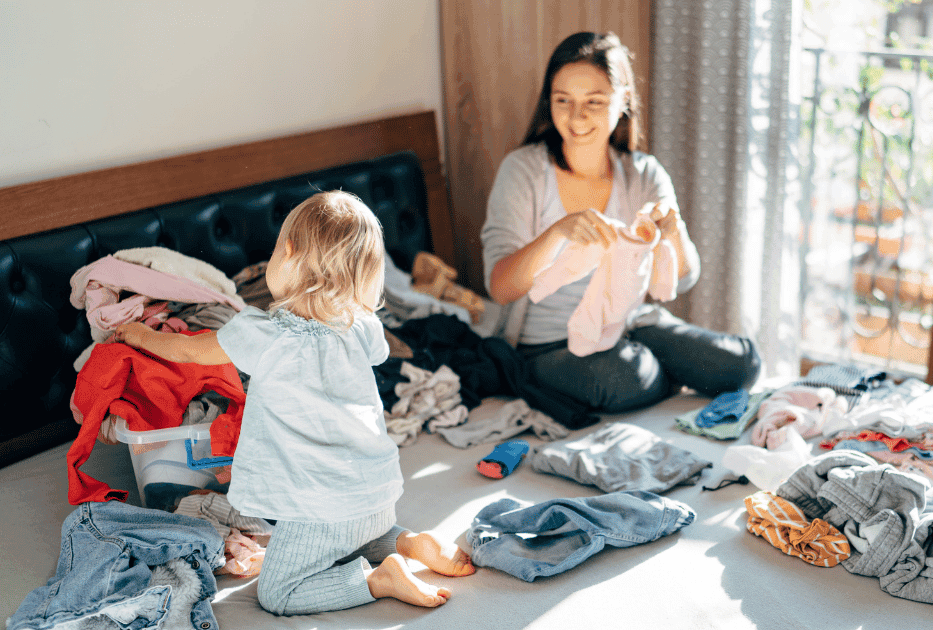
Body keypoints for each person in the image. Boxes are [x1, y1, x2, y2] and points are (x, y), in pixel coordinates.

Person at [114, 191, 474, 616]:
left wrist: (137, 335)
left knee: (278, 592)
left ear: (287, 253)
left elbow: (189, 351)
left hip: (319, 508)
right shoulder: (363, 327)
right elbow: (377, 352)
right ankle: (409, 542)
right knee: (353, 534)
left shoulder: (263, 334)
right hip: (375, 495)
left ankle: (376, 580)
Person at [482, 31, 761, 413]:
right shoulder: (523, 171)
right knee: (619, 379)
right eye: (563, 100)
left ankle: (654, 366)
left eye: (593, 102)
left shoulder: (643, 174)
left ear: (623, 101)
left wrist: (672, 231)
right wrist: (557, 233)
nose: (576, 117)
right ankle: (660, 370)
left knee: (742, 365)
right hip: (547, 344)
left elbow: (684, 277)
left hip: (630, 325)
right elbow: (499, 287)